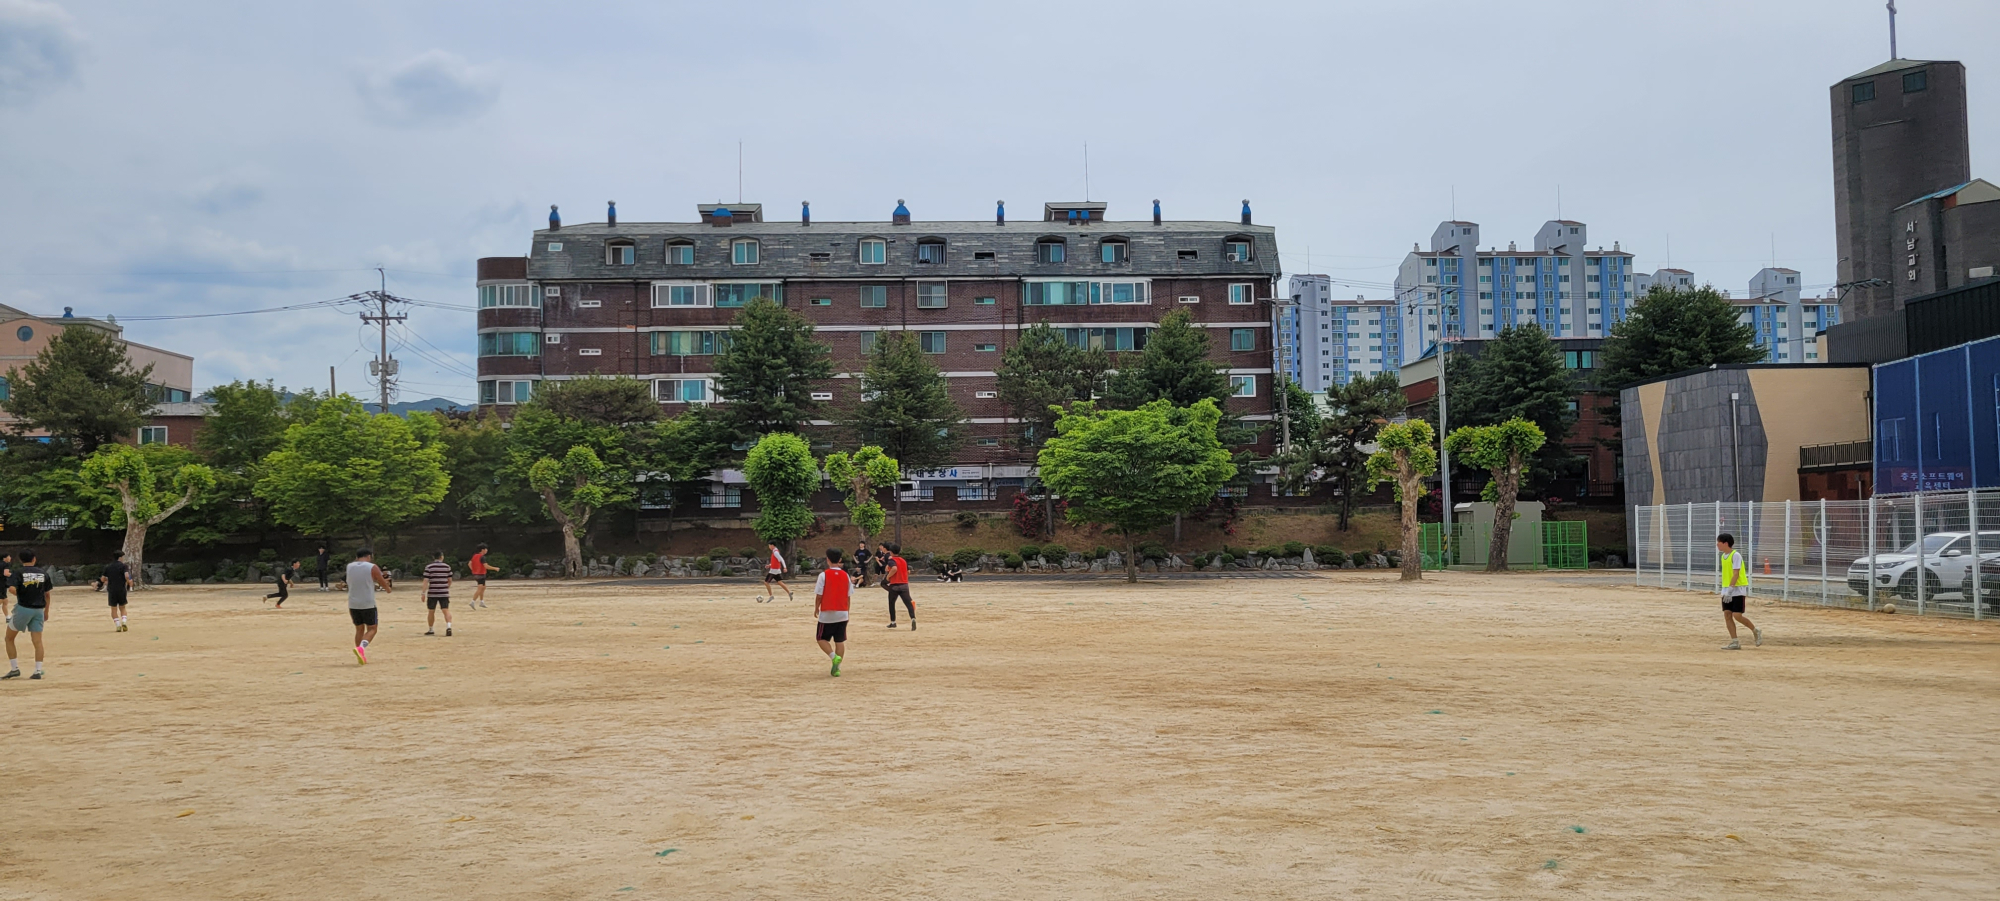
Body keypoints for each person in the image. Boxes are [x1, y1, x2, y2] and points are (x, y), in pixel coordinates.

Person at [4, 549, 53, 680]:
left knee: (9, 638)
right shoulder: (43, 573)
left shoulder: (18, 573)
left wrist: (22, 593)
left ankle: (14, 668)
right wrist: (46, 611)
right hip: (39, 610)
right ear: (34, 559)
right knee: (37, 641)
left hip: (24, 608)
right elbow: (47, 594)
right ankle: (38, 670)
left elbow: (12, 588)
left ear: (20, 560)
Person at [346, 547, 393, 664]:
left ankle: (360, 654)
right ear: (368, 556)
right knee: (372, 628)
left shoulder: (349, 566)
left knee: (359, 629)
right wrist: (387, 588)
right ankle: (361, 648)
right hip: (367, 602)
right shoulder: (372, 567)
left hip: (353, 602)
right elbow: (380, 579)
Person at [1717, 533, 1762, 650]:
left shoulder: (1735, 555)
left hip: (1737, 589)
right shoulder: (1723, 556)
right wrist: (1726, 589)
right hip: (1726, 588)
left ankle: (1755, 630)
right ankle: (1735, 641)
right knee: (1727, 614)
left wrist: (1731, 588)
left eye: (1719, 542)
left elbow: (1736, 573)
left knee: (1737, 615)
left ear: (1725, 543)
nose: (1717, 544)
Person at [814, 548, 852, 677]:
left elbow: (819, 595)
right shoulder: (845, 575)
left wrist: (816, 608)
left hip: (827, 612)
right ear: (840, 560)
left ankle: (833, 656)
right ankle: (837, 668)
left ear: (827, 560)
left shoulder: (823, 575)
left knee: (821, 638)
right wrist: (848, 612)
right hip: (843, 611)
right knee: (839, 640)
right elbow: (848, 596)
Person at [882, 542, 915, 630]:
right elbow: (908, 572)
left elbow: (894, 568)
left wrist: (888, 577)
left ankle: (893, 622)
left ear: (891, 552)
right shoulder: (903, 560)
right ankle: (913, 618)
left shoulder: (892, 560)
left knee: (891, 603)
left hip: (895, 585)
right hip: (904, 584)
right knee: (908, 603)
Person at [422, 550, 454, 637]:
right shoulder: (447, 567)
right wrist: (446, 587)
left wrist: (423, 593)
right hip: (444, 592)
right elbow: (450, 580)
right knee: (445, 610)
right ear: (441, 557)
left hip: (432, 592)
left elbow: (425, 581)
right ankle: (448, 626)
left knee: (431, 611)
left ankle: (431, 629)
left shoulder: (429, 567)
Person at [100, 551, 133, 631]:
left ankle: (118, 625)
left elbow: (102, 578)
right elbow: (126, 576)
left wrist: (107, 580)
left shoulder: (108, 567)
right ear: (120, 557)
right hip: (121, 589)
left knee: (113, 608)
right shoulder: (123, 566)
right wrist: (128, 582)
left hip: (112, 589)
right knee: (122, 607)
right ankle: (124, 622)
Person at [469, 544, 490, 608]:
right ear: (482, 550)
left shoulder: (475, 556)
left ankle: (481, 601)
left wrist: (473, 570)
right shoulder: (482, 557)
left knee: (483, 587)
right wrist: (495, 568)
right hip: (481, 574)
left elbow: (469, 563)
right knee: (480, 588)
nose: (487, 550)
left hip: (476, 574)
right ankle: (473, 601)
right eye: (486, 549)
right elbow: (486, 566)